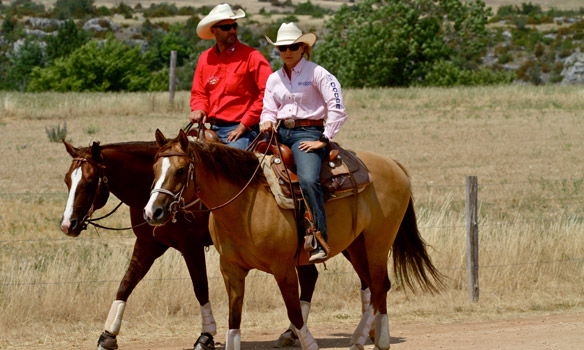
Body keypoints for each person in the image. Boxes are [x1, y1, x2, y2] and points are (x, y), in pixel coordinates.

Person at [260, 23, 347, 263]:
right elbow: (268, 109)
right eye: (282, 48)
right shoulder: (273, 79)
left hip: (308, 133)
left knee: (309, 180)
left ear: (302, 48)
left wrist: (324, 139)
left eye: (292, 46)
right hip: (278, 134)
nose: (287, 52)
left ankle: (319, 238)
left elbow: (337, 108)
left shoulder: (318, 73)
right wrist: (266, 122)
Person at [190, 3, 272, 150]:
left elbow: (269, 92)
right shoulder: (205, 58)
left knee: (235, 168)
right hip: (211, 128)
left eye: (234, 26)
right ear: (213, 31)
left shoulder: (252, 57)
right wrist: (199, 109)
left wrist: (244, 124)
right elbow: (199, 93)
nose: (232, 31)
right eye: (226, 28)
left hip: (243, 130)